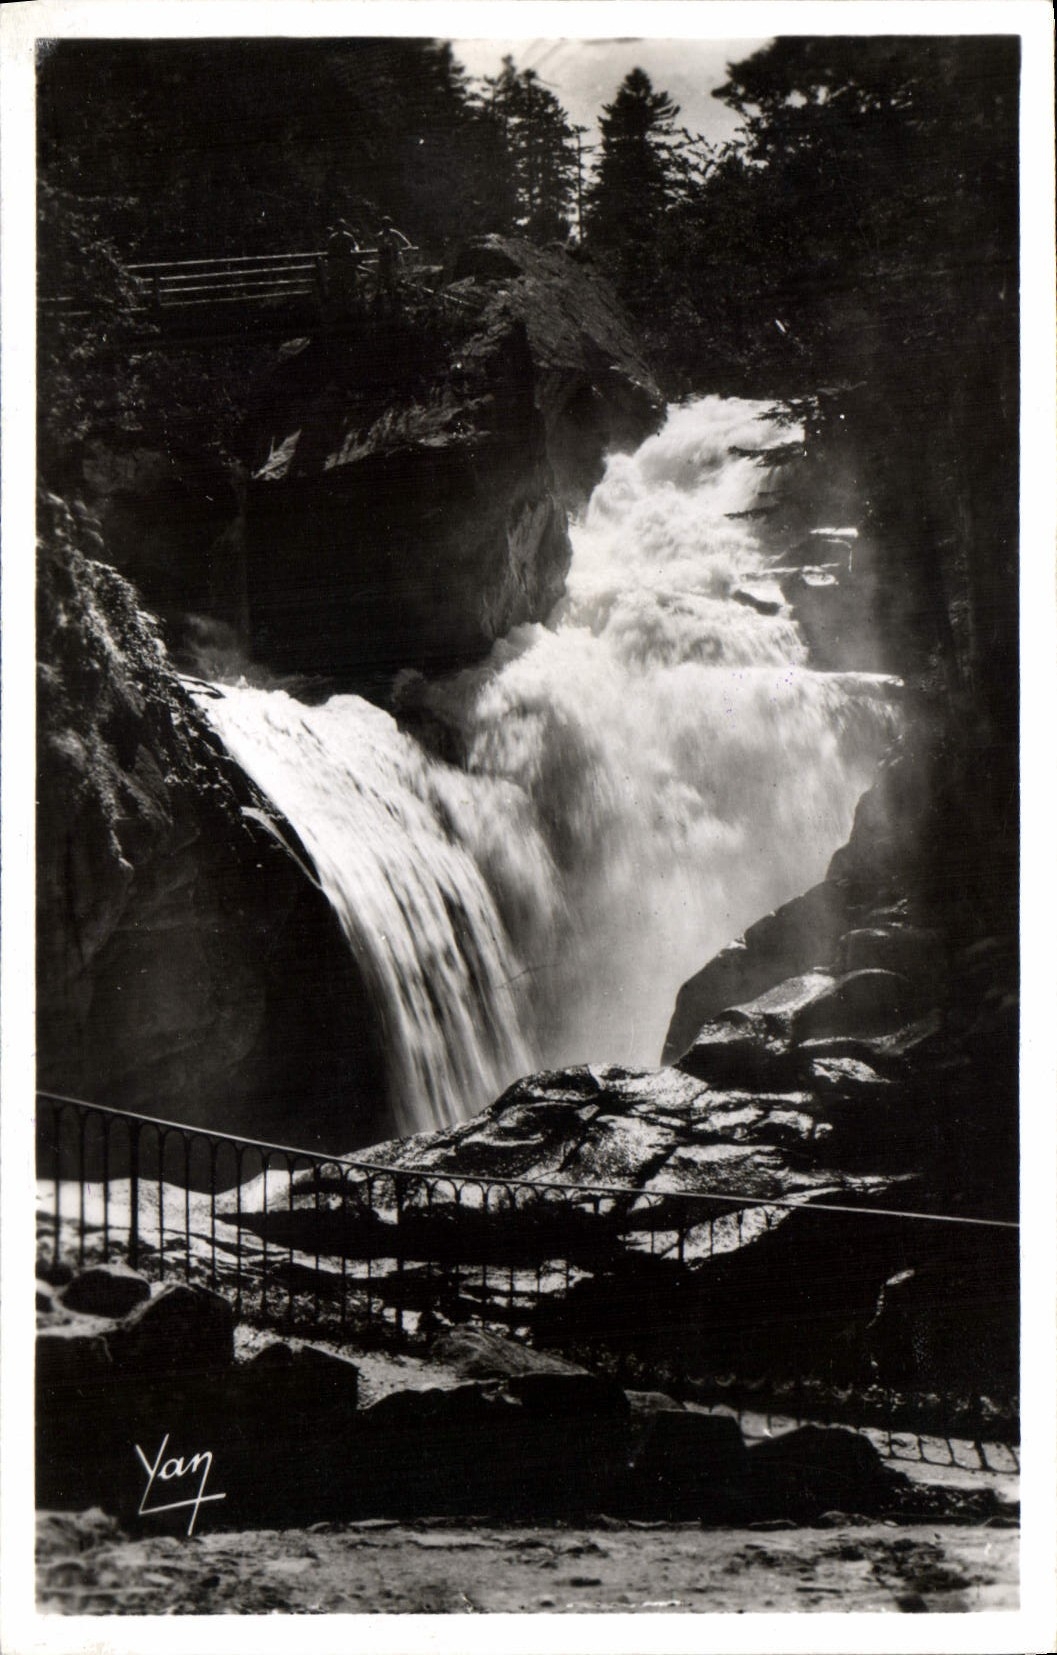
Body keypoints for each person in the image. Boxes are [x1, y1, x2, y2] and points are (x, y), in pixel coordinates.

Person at [373, 216, 412, 311]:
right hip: (384, 259)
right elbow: (378, 248)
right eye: (384, 225)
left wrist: (404, 248)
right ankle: (383, 295)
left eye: (388, 225)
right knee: (383, 276)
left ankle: (398, 293)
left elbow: (406, 243)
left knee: (397, 276)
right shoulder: (380, 236)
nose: (386, 227)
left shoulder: (394, 233)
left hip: (395, 258)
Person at [325, 218, 360, 316]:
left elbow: (355, 246)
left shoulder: (348, 237)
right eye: (338, 227)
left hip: (348, 264)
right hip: (337, 265)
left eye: (342, 227)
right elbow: (329, 251)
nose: (340, 229)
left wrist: (355, 251)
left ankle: (351, 306)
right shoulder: (333, 238)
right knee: (337, 285)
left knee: (351, 283)